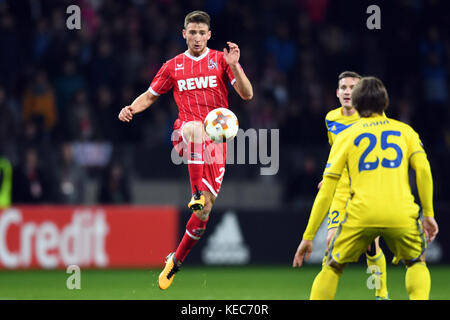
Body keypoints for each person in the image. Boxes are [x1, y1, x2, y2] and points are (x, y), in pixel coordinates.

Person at [118, 10, 253, 290]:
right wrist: (131, 108)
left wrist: (236, 66)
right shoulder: (173, 66)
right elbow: (151, 95)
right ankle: (194, 193)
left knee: (204, 214)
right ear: (184, 34)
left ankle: (176, 260)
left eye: (202, 33)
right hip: (186, 134)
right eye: (192, 32)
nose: (197, 37)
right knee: (193, 128)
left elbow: (247, 94)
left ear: (209, 35)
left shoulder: (221, 60)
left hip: (216, 143)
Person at [293, 77, 438, 300]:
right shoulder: (406, 131)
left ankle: (380, 292)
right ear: (385, 103)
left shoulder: (346, 136)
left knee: (331, 267)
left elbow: (327, 189)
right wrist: (428, 214)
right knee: (417, 263)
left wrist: (308, 235)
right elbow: (424, 172)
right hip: (401, 212)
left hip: (360, 213)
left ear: (357, 104)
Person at [319, 71, 388, 299]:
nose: (348, 92)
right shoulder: (331, 118)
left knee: (371, 245)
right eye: (344, 88)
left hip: (365, 187)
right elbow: (336, 153)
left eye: (352, 87)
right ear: (337, 93)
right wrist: (328, 176)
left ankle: (381, 293)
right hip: (340, 189)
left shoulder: (373, 117)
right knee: (330, 242)